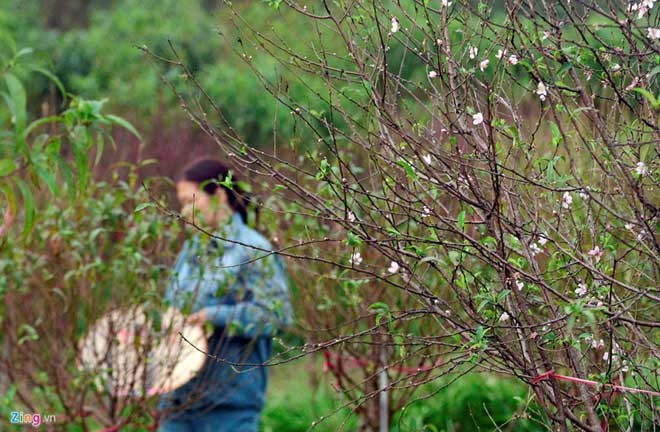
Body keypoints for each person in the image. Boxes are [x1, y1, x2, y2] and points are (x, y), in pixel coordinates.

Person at [157, 157, 293, 432]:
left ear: (219, 195)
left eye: (190, 201)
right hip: (178, 402)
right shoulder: (192, 249)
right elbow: (173, 304)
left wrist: (213, 316)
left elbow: (277, 316)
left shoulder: (254, 249)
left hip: (229, 406)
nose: (184, 212)